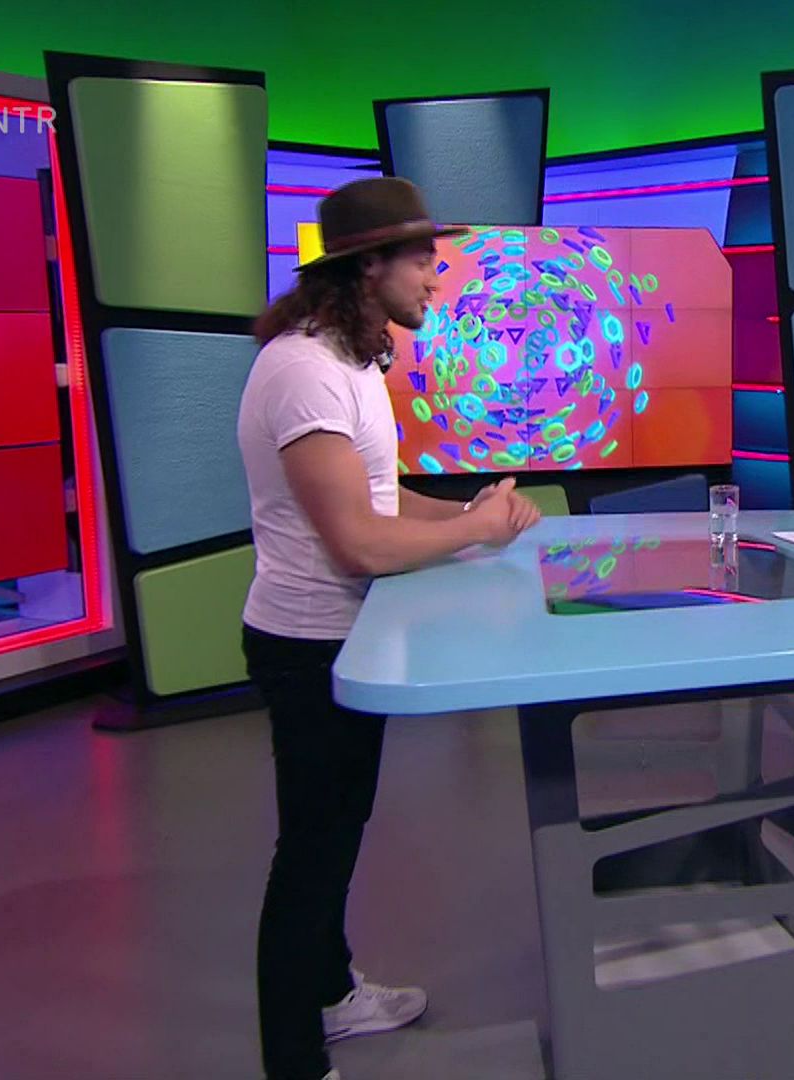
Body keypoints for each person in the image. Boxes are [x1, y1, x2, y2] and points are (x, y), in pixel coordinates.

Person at [237, 177, 541, 1080]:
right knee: (313, 849)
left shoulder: (355, 361)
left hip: (347, 639)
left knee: (339, 831)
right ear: (368, 265)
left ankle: (332, 994)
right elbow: (360, 541)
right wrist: (474, 531)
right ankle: (294, 1058)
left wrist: (468, 516)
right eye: (421, 259)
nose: (436, 276)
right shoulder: (303, 371)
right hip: (307, 647)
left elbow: (379, 496)